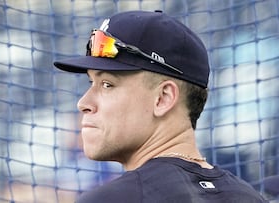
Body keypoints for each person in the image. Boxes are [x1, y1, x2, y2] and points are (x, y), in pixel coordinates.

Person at [54, 10, 267, 203]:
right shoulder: (251, 197)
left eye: (107, 84)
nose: (83, 103)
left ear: (163, 98)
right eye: (91, 83)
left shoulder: (112, 199)